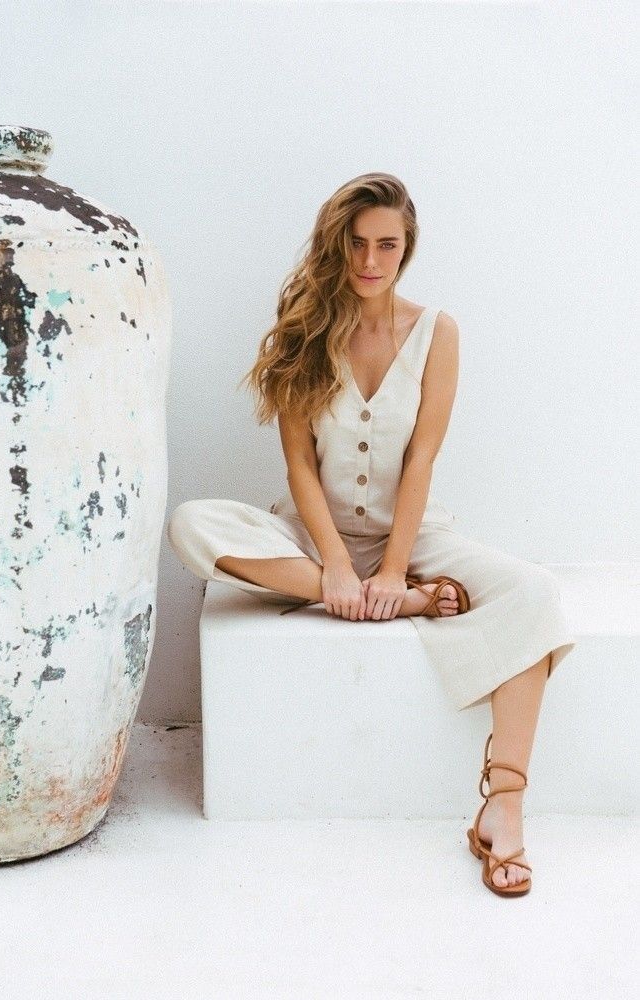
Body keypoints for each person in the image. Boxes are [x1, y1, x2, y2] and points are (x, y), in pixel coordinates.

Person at [167, 172, 576, 896]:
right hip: (313, 536)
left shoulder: (437, 333)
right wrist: (334, 564)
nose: (368, 260)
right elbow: (299, 465)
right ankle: (410, 602)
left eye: (386, 244)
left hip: (412, 539)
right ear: (337, 245)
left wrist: (392, 568)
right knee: (191, 524)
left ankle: (504, 805)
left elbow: (421, 458)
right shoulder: (304, 330)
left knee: (535, 592)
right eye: (356, 243)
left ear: (406, 247)